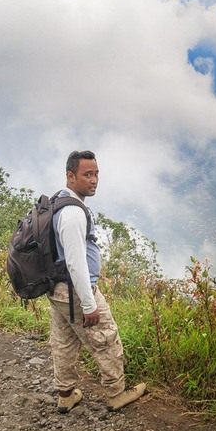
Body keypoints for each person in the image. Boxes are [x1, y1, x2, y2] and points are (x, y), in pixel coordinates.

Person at [50, 150, 146, 413]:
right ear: (71, 177)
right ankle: (116, 393)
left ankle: (66, 394)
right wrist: (89, 304)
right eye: (87, 175)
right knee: (106, 337)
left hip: (59, 291)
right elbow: (75, 262)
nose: (94, 180)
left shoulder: (59, 200)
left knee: (64, 341)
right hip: (76, 291)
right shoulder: (72, 213)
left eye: (96, 174)